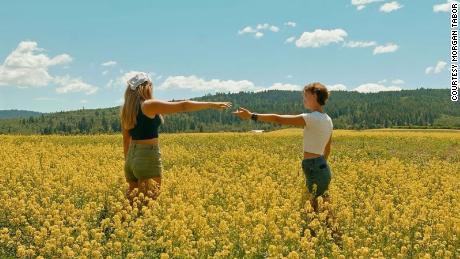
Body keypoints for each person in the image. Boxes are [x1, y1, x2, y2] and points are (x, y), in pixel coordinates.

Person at [120, 72, 232, 204]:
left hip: (131, 160)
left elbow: (126, 139)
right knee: (148, 204)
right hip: (147, 157)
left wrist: (129, 162)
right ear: (146, 87)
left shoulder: (126, 110)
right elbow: (183, 106)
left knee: (132, 204)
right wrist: (211, 105)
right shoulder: (148, 105)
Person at [232, 82, 333, 213]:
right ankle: (331, 232)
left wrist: (252, 116)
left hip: (314, 166)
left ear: (314, 95)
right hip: (322, 167)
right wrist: (321, 164)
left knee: (315, 209)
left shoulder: (312, 118)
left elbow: (278, 119)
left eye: (305, 96)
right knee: (322, 208)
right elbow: (328, 148)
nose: (304, 99)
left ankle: (327, 232)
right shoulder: (328, 119)